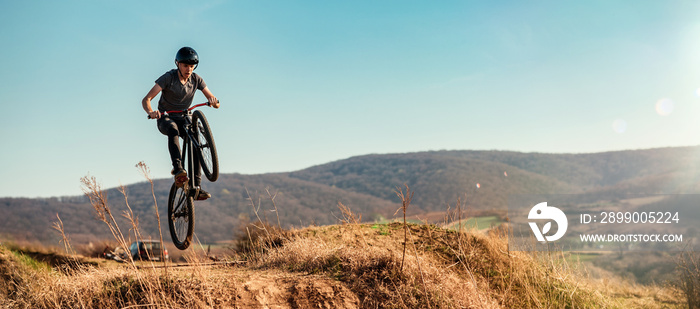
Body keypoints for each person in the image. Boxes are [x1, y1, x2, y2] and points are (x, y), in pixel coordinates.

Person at [142, 47, 220, 200]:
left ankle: (196, 188)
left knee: (196, 142)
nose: (188, 69)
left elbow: (216, 102)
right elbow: (146, 99)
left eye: (191, 66)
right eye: (185, 66)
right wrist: (151, 112)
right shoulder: (168, 78)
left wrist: (213, 101)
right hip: (166, 117)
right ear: (177, 63)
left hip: (185, 118)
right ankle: (178, 170)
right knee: (173, 130)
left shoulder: (196, 79)